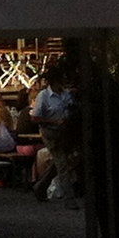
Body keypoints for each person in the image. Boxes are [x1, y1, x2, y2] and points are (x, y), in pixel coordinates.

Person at [31, 71, 74, 199]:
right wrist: (53, 121)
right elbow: (35, 118)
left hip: (65, 132)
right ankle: (69, 197)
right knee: (61, 162)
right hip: (50, 132)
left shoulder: (67, 95)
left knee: (63, 161)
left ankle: (41, 186)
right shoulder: (44, 96)